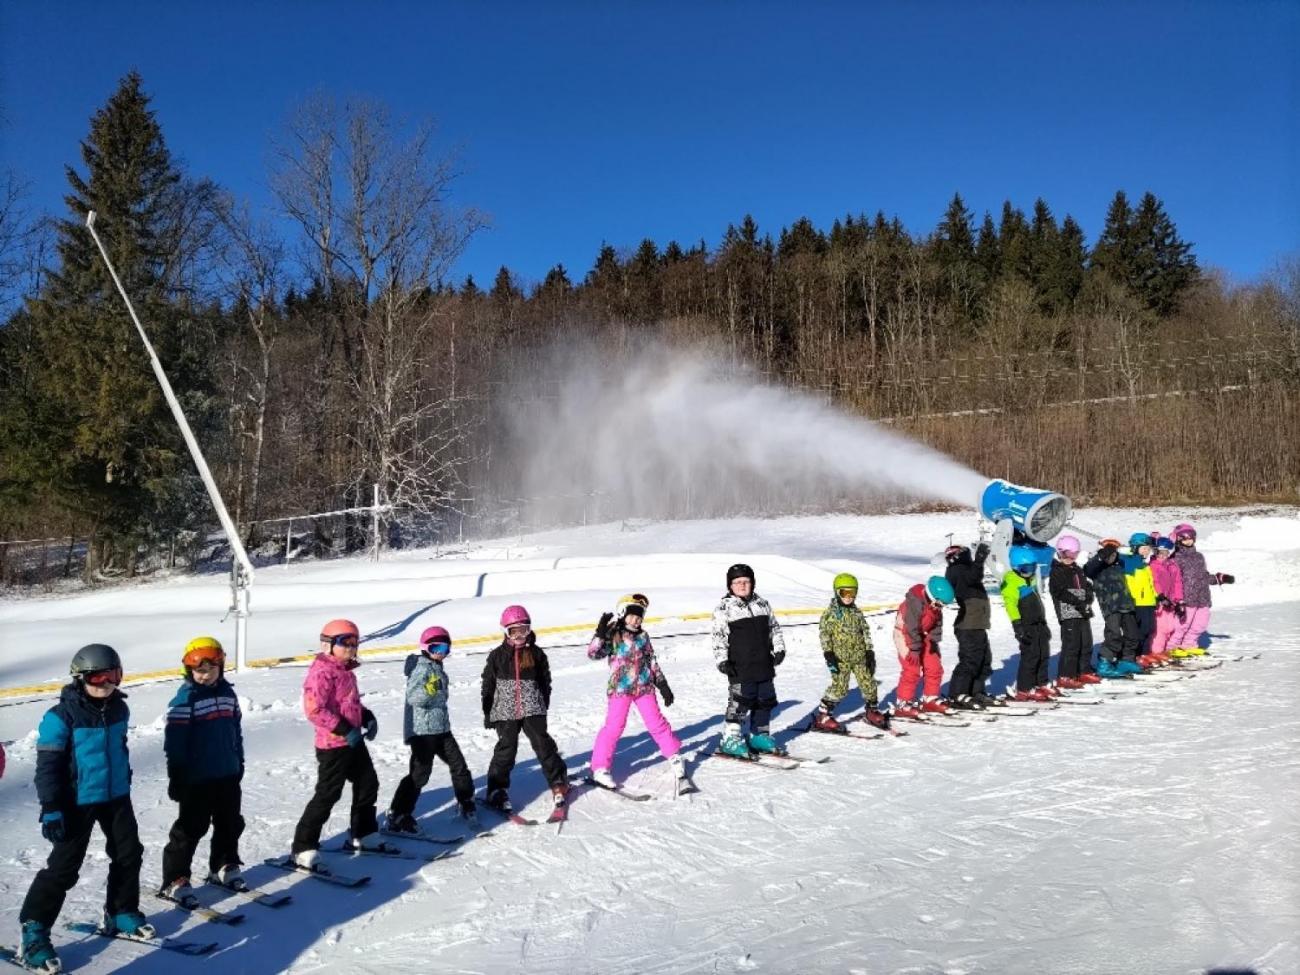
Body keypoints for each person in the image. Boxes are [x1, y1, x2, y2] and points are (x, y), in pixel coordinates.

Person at [19, 645, 152, 973]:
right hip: (75, 802)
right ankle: (34, 929)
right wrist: (51, 807)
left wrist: (125, 779)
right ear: (80, 679)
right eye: (96, 676)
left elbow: (118, 748)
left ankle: (120, 911)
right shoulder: (60, 717)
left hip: (115, 796)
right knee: (64, 867)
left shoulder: (119, 710)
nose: (105, 683)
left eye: (112, 675)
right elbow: (47, 767)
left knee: (128, 853)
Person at [291, 619, 382, 868]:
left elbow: (347, 705)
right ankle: (303, 846)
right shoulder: (321, 672)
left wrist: (366, 717)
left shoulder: (345, 671)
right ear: (328, 645)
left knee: (367, 783)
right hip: (332, 745)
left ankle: (363, 833)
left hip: (352, 741)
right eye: (345, 643)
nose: (351, 648)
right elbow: (314, 709)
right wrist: (344, 729)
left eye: (355, 643)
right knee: (328, 794)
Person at [160, 637, 246, 901]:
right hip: (196, 779)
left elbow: (236, 731)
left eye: (210, 670)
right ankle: (176, 878)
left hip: (227, 773)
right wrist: (177, 774)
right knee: (190, 828)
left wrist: (238, 760)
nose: (205, 676)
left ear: (220, 667)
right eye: (199, 671)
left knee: (229, 823)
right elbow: (174, 744)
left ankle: (223, 865)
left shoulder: (228, 694)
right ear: (189, 671)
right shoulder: (185, 700)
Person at [385, 626, 477, 834]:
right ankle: (398, 814)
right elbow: (414, 697)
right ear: (425, 648)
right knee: (419, 774)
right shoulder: (421, 668)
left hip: (442, 730)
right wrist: (429, 688)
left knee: (459, 765)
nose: (440, 652)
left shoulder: (437, 667)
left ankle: (466, 801)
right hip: (422, 732)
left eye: (445, 648)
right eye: (436, 647)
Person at [587, 594, 683, 787]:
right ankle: (600, 768)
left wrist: (662, 684)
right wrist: (600, 634)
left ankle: (674, 756)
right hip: (620, 689)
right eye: (632, 615)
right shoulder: (613, 633)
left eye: (640, 616)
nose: (636, 619)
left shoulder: (643, 636)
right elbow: (594, 654)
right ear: (623, 613)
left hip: (645, 688)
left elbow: (651, 662)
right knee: (614, 727)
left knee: (657, 722)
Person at [481, 605, 570, 811]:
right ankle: (497, 790)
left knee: (543, 744)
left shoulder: (537, 654)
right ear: (506, 632)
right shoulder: (497, 656)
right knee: (506, 749)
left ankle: (558, 781)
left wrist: (543, 704)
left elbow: (545, 681)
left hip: (533, 708)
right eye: (514, 631)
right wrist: (488, 711)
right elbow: (488, 685)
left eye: (524, 630)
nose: (520, 635)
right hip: (506, 710)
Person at [712, 563, 788, 757]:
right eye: (737, 582)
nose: (742, 585)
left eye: (746, 581)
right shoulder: (724, 607)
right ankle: (731, 738)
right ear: (730, 585)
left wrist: (779, 648)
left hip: (764, 663)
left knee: (765, 700)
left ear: (753, 583)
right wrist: (722, 660)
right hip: (740, 665)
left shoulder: (762, 604)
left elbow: (774, 628)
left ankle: (758, 735)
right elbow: (719, 636)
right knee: (740, 702)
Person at [812, 573, 889, 730]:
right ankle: (824, 715)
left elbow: (865, 631)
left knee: (869, 683)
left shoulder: (856, 612)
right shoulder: (831, 614)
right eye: (844, 593)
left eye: (852, 593)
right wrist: (828, 653)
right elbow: (825, 634)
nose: (848, 597)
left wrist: (869, 651)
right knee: (840, 688)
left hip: (860, 656)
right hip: (840, 658)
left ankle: (872, 711)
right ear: (837, 592)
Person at [891, 575, 954, 717]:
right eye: (939, 605)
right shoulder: (914, 603)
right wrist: (913, 649)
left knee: (934, 665)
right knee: (912, 668)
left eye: (943, 606)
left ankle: (930, 698)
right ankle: (903, 703)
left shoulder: (935, 605)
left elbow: (937, 622)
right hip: (904, 634)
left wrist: (934, 640)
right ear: (931, 596)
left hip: (922, 634)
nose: (940, 608)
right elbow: (910, 627)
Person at [943, 543, 996, 708]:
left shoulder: (963, 569)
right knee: (970, 660)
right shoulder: (956, 569)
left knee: (984, 660)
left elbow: (973, 576)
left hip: (977, 623)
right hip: (968, 624)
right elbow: (974, 576)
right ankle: (958, 693)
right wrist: (979, 559)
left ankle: (976, 691)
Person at [1168, 523, 1234, 656]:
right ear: (1178, 539)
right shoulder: (1175, 558)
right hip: (1186, 598)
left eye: (1191, 537)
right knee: (1183, 625)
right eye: (1185, 537)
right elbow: (1173, 580)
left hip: (1202, 597)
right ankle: (1172, 647)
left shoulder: (1199, 557)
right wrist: (1176, 598)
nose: (1188, 540)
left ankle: (1189, 644)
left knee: (1200, 624)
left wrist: (1219, 578)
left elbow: (1204, 576)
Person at [1084, 539, 1143, 677]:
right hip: (1111, 607)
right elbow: (1088, 569)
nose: (1112, 557)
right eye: (1109, 556)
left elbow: (1134, 561)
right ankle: (1105, 662)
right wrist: (1102, 555)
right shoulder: (1096, 568)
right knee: (1114, 634)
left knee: (1132, 634)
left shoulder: (1119, 565)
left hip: (1126, 604)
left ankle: (1127, 659)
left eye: (1114, 555)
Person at [1047, 535, 1100, 687]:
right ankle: (1066, 675)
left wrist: (1088, 596)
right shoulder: (1057, 571)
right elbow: (1059, 591)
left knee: (1086, 642)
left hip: (1083, 610)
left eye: (1073, 555)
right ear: (1059, 553)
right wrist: (1078, 601)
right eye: (1066, 555)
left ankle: (1083, 670)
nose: (1069, 558)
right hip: (1068, 611)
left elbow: (1086, 586)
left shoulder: (1077, 569)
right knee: (1072, 643)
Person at [1002, 551, 1054, 700]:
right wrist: (1017, 625)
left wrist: (1043, 622)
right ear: (1016, 568)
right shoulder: (1011, 581)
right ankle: (1024, 688)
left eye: (1032, 568)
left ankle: (1041, 683)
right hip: (1026, 624)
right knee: (1031, 655)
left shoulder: (1029, 579)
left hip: (1038, 623)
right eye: (1026, 569)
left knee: (1043, 653)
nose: (1029, 572)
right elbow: (1010, 605)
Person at [1123, 532, 1159, 666]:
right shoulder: (1130, 563)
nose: (1146, 551)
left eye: (1148, 548)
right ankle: (1136, 655)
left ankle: (1144, 653)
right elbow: (1128, 583)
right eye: (1143, 548)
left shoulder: (1145, 566)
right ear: (1135, 548)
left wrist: (1156, 596)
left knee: (1150, 629)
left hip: (1149, 601)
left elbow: (1151, 584)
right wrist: (1130, 598)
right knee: (1140, 630)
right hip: (1138, 602)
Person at [1148, 538, 1184, 663]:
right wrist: (1161, 596)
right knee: (1161, 629)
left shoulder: (1173, 566)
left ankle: (1165, 650)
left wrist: (1179, 599)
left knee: (1170, 627)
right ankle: (1156, 651)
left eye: (1165, 553)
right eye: (1159, 553)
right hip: (1161, 602)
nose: (1162, 556)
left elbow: (1178, 582)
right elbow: (1154, 582)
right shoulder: (1153, 565)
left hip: (1172, 602)